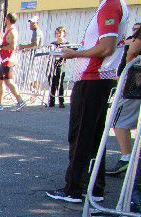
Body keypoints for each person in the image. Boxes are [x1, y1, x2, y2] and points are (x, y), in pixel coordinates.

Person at [46, 0, 130, 203]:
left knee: (81, 135)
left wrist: (75, 53)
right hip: (98, 79)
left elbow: (106, 48)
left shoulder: (111, 4)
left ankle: (74, 189)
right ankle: (94, 188)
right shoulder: (113, 5)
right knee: (92, 137)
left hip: (94, 78)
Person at [108, 23, 141, 176]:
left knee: (119, 121)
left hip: (134, 84)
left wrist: (126, 75)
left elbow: (132, 52)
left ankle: (127, 158)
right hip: (134, 82)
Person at [0, 13, 27, 111]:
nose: (5, 21)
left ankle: (20, 101)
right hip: (4, 59)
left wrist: (0, 47)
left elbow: (13, 47)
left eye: (6, 19)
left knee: (8, 81)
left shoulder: (12, 31)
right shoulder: (8, 30)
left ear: (8, 20)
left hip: (8, 60)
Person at [48, 26, 69, 107]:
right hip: (52, 65)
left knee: (59, 84)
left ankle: (61, 101)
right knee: (52, 82)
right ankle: (51, 101)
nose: (58, 34)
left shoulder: (67, 44)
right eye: (57, 33)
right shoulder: (53, 44)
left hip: (61, 65)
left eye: (60, 32)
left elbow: (67, 53)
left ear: (64, 33)